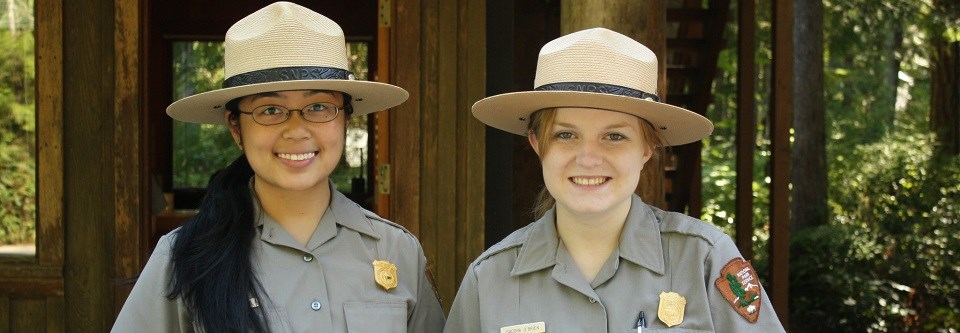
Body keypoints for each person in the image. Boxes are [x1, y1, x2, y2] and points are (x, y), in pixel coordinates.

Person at [113, 2, 445, 332]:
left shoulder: (397, 251)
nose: (296, 130)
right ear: (235, 127)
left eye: (318, 106)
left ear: (345, 120)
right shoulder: (182, 258)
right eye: (270, 110)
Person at [444, 28, 786, 332]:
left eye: (615, 137)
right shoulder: (487, 280)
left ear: (647, 149)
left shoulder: (703, 261)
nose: (588, 158)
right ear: (537, 143)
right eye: (565, 135)